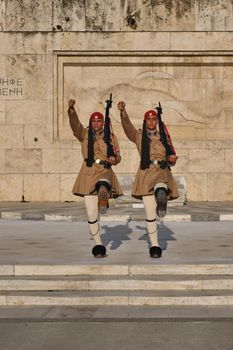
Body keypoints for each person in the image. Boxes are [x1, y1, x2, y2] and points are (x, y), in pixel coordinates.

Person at [117, 101, 179, 258]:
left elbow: (171, 155)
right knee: (150, 214)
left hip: (161, 171)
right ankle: (155, 245)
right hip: (146, 173)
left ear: (157, 121)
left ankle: (161, 196)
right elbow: (128, 128)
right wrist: (123, 112)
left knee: (161, 186)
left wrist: (172, 158)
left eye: (154, 119)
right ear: (145, 121)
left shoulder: (164, 136)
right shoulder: (139, 136)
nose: (151, 121)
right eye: (149, 119)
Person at [68, 98, 123, 258]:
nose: (97, 124)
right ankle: (99, 245)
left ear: (103, 123)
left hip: (104, 169)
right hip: (88, 171)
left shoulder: (111, 137)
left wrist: (114, 159)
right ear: (91, 122)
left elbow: (118, 156)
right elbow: (74, 125)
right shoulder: (84, 134)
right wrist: (71, 110)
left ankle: (103, 194)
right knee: (91, 214)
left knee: (103, 182)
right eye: (94, 121)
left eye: (100, 121)